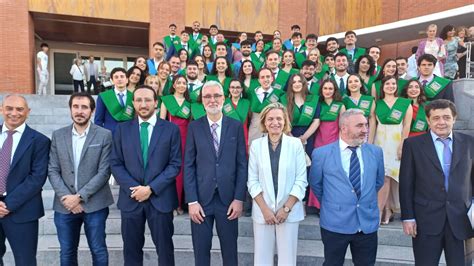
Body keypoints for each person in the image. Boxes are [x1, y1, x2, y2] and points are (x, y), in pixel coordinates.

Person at [111, 85, 181, 266]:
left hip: (161, 199)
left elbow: (175, 165)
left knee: (165, 250)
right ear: (133, 103)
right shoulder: (121, 129)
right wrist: (134, 189)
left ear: (156, 103)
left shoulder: (171, 129)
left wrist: (150, 188)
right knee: (131, 250)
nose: (143, 104)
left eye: (148, 100)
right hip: (131, 198)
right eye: (139, 100)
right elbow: (116, 163)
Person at [400, 99, 474, 265]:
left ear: (454, 118)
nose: (442, 122)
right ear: (428, 120)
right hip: (425, 221)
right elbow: (406, 183)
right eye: (436, 118)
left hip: (461, 220)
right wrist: (408, 217)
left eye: (447, 117)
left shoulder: (470, 143)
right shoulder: (413, 144)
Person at [310, 108, 384, 266]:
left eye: (365, 125)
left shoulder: (376, 152)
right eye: (359, 126)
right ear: (343, 128)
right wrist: (336, 202)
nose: (365, 130)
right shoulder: (321, 154)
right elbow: (316, 184)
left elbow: (377, 182)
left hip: (367, 223)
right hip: (334, 223)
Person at [184, 80, 247, 266]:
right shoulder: (194, 127)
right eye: (207, 96)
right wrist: (192, 201)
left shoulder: (236, 126)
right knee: (201, 254)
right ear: (202, 101)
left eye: (216, 96)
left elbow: (242, 164)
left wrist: (238, 198)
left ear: (224, 98)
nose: (212, 100)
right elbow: (189, 165)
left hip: (228, 201)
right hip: (201, 201)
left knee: (230, 254)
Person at [48, 92, 113, 266]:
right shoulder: (58, 135)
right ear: (70, 109)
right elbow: (53, 169)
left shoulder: (104, 135)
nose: (79, 111)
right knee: (67, 252)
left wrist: (79, 197)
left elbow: (104, 172)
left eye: (84, 107)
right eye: (75, 107)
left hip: (96, 204)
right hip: (64, 205)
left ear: (92, 111)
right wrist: (67, 198)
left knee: (98, 250)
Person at [247, 102, 308, 265]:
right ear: (264, 122)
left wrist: (286, 208)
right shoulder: (256, 146)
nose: (275, 122)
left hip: (288, 211)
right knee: (262, 259)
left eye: (279, 118)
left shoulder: (295, 145)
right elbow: (252, 181)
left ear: (285, 121)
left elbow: (301, 180)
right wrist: (265, 210)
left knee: (287, 259)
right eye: (271, 119)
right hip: (263, 211)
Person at [0, 95, 51, 265]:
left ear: (28, 112)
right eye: (9, 108)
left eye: (20, 109)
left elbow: (36, 178)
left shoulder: (40, 141)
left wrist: (8, 204)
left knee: (25, 261)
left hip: (22, 211)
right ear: (1, 109)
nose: (14, 113)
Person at [374, 76, 413, 225]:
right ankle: (387, 209)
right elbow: (373, 124)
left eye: (393, 84)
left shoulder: (404, 103)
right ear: (382, 87)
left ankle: (379, 211)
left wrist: (402, 145)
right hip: (380, 142)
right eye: (387, 84)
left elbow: (407, 126)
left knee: (388, 177)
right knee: (383, 177)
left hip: (396, 142)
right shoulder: (376, 103)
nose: (390, 86)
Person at [160, 75, 191, 216]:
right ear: (173, 85)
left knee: (183, 173)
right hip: (170, 139)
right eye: (179, 83)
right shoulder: (166, 101)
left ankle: (180, 204)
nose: (181, 85)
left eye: (184, 83)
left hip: (186, 139)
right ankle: (172, 204)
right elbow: (161, 122)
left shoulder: (190, 103)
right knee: (171, 172)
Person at [247, 68, 287, 145]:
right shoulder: (251, 93)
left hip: (274, 129)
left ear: (272, 79)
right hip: (255, 130)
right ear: (259, 80)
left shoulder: (279, 93)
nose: (265, 79)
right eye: (262, 77)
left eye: (268, 77)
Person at [94, 67, 134, 133]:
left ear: (127, 80)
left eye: (122, 76)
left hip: (129, 134)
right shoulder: (103, 96)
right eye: (116, 77)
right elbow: (98, 120)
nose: (119, 79)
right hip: (110, 135)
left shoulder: (133, 96)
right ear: (112, 80)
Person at [342, 74, 377, 143]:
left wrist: (370, 141)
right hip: (350, 137)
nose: (353, 83)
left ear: (361, 84)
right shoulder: (344, 101)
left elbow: (372, 121)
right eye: (350, 82)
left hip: (365, 135)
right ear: (347, 86)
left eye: (356, 81)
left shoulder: (369, 100)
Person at [223, 79, 250, 150]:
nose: (235, 90)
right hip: (227, 136)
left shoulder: (247, 103)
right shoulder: (224, 103)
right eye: (232, 87)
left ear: (241, 89)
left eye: (238, 87)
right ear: (229, 89)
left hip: (243, 135)